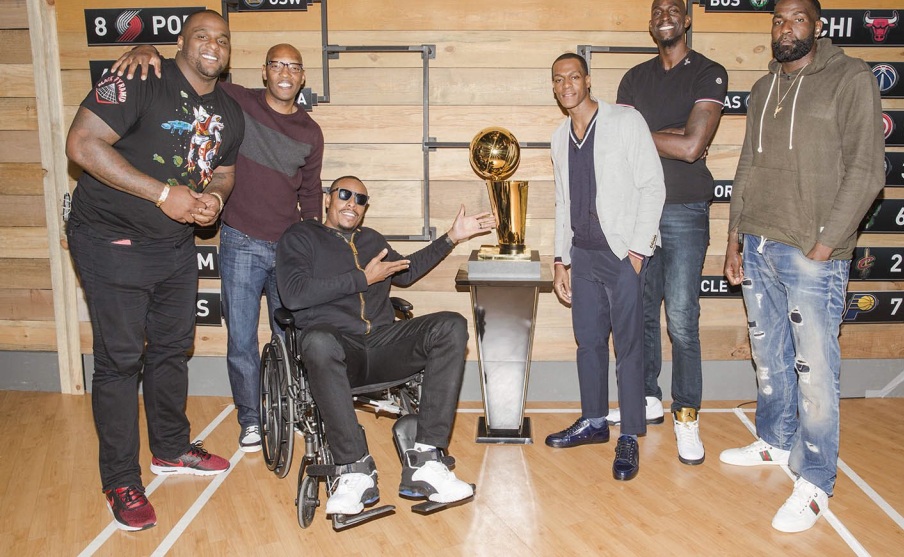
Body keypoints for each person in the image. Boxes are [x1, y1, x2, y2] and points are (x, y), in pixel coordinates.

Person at [65, 10, 243, 532]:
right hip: (110, 240)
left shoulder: (229, 112)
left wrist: (214, 196)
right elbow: (81, 144)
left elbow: (226, 170)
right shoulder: (140, 77)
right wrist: (164, 194)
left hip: (173, 246)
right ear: (180, 42)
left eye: (222, 39)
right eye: (202, 36)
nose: (213, 45)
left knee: (170, 349)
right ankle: (120, 479)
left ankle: (169, 449)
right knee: (120, 361)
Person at [720, 0, 885, 532]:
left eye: (798, 19)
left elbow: (867, 169)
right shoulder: (764, 88)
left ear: (818, 26)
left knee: (814, 373)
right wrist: (733, 238)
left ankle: (815, 480)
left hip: (813, 253)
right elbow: (745, 166)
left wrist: (826, 243)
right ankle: (773, 441)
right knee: (769, 359)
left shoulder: (850, 77)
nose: (786, 28)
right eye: (778, 20)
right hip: (760, 243)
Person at [113, 43, 325, 453]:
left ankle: (296, 411)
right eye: (277, 64)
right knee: (241, 339)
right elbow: (192, 71)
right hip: (241, 242)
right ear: (264, 72)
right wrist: (147, 47)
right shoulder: (236, 100)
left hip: (289, 250)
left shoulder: (311, 132)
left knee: (294, 338)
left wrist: (314, 244)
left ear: (301, 77)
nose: (285, 73)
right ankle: (251, 419)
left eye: (293, 67)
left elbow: (312, 193)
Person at [276, 175, 495, 516]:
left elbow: (405, 272)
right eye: (344, 195)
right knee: (316, 340)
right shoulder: (301, 237)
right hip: (336, 348)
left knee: (451, 324)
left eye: (360, 199)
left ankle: (425, 461)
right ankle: (354, 470)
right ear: (328, 200)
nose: (352, 203)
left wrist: (452, 237)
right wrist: (363, 279)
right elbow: (293, 294)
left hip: (380, 343)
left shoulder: (372, 240)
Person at [616, 0, 727, 466]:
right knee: (640, 310)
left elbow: (692, 147)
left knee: (681, 318)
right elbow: (619, 149)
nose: (665, 18)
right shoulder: (634, 77)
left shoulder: (708, 71)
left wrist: (638, 133)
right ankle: (647, 398)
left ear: (687, 20)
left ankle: (687, 417)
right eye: (657, 12)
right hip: (639, 210)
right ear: (651, 24)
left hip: (683, 208)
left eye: (673, 11)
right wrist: (662, 135)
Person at [546, 53, 665, 481]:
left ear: (588, 80)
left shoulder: (625, 122)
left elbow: (653, 185)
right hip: (583, 255)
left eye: (573, 77)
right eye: (558, 80)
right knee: (588, 343)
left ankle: (630, 434)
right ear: (554, 87)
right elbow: (563, 204)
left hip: (621, 255)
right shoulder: (560, 137)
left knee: (629, 348)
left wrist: (637, 252)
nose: (566, 86)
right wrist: (560, 260)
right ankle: (594, 421)